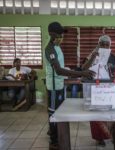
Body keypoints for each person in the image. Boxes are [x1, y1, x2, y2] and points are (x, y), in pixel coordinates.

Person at [44, 21, 95, 150]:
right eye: (59, 34)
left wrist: (79, 70)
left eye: (62, 34)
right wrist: (81, 73)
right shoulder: (49, 49)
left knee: (58, 111)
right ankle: (54, 141)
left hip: (60, 84)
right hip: (54, 87)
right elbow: (58, 70)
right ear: (51, 34)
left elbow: (62, 67)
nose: (61, 37)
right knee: (53, 112)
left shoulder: (57, 47)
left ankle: (53, 131)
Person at [82, 35, 115, 147]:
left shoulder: (113, 57)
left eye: (107, 44)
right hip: (95, 89)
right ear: (99, 45)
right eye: (102, 44)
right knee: (96, 115)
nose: (105, 46)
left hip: (109, 89)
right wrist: (94, 56)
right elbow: (84, 69)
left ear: (110, 45)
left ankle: (113, 135)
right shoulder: (93, 55)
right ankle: (99, 138)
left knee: (112, 114)